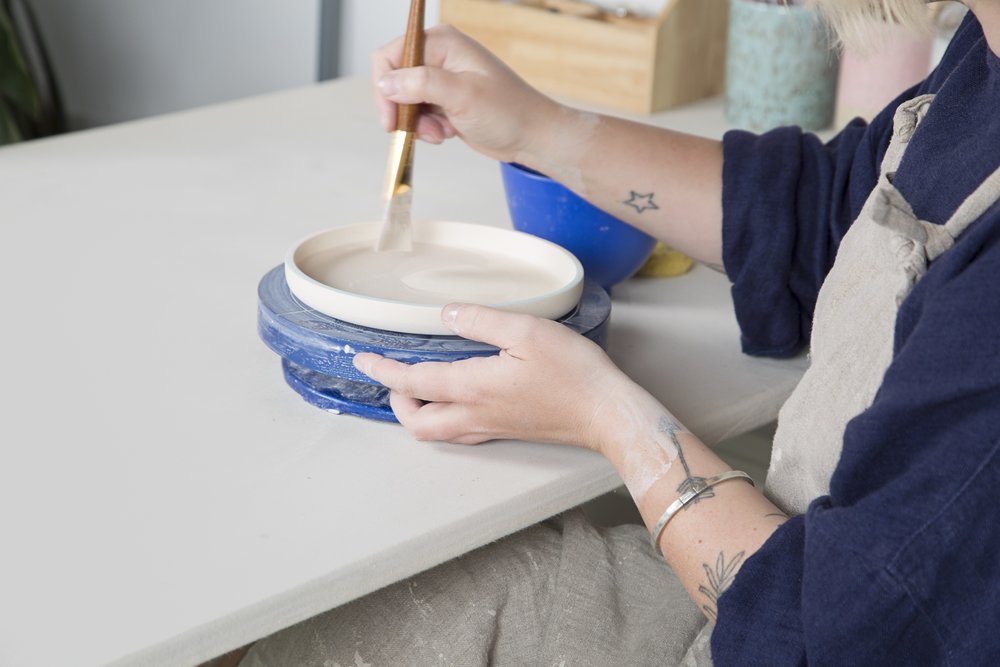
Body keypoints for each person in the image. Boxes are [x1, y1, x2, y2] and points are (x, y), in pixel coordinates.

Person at [241, 0, 1000, 664]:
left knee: (318, 629)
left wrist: (613, 418)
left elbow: (829, 641)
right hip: (789, 577)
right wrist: (536, 128)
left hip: (789, 623)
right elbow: (825, 216)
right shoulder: (985, 50)